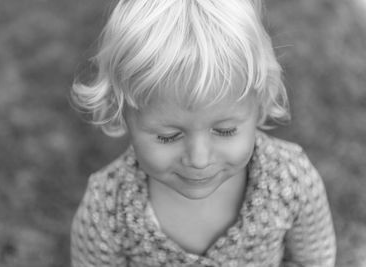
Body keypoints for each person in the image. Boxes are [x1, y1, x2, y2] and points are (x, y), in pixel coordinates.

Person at [70, 0, 336, 266]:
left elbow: (314, 260)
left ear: (261, 104)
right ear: (121, 112)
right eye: (168, 136)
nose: (198, 159)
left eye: (225, 130)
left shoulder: (291, 180)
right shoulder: (108, 205)